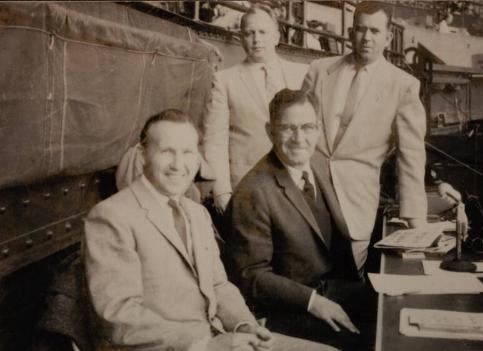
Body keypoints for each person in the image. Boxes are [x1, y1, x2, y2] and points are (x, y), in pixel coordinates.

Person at [84, 109, 336, 351]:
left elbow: (218, 286)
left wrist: (245, 325)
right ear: (142, 155)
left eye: (187, 152)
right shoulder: (111, 216)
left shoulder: (196, 213)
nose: (178, 164)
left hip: (220, 338)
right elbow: (118, 316)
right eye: (167, 152)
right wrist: (206, 345)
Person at [224, 90, 376, 350]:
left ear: (318, 129)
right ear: (270, 131)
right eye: (287, 128)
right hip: (288, 311)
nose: (299, 138)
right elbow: (252, 277)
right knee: (370, 339)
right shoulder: (252, 191)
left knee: (393, 308)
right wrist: (314, 301)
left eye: (307, 127)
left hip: (333, 289)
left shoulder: (316, 164)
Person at [302, 1, 428, 274]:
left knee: (348, 282)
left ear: (388, 37)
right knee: (304, 278)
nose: (367, 38)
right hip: (308, 196)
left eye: (374, 31)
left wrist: (415, 219)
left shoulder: (403, 86)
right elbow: (298, 128)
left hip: (357, 202)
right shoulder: (319, 70)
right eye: (360, 30)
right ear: (350, 33)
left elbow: (412, 156)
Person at [203, 5, 308, 213]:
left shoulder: (302, 74)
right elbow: (214, 140)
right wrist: (222, 192)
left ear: (277, 36)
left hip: (296, 186)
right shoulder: (224, 81)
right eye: (249, 33)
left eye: (263, 32)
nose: (256, 39)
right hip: (245, 188)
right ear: (241, 38)